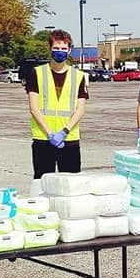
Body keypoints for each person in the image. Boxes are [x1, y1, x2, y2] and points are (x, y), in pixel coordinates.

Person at [27, 29, 88, 179]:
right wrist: (50, 134)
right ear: (50, 49)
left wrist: (64, 132)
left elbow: (80, 110)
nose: (59, 52)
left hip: (69, 139)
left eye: (63, 48)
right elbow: (34, 108)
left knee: (71, 185)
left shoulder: (79, 76)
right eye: (56, 48)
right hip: (43, 138)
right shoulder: (37, 73)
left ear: (69, 50)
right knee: (42, 182)